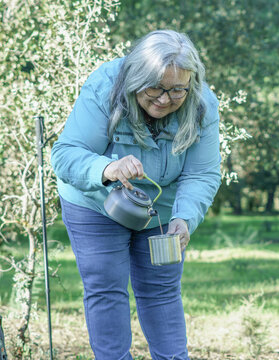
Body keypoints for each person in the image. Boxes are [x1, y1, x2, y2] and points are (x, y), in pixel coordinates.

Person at [51, 30, 221, 360]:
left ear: (191, 82)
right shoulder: (106, 85)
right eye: (155, 87)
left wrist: (184, 218)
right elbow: (66, 153)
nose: (164, 99)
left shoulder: (203, 105)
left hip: (162, 209)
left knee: (162, 290)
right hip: (97, 203)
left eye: (177, 90)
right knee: (107, 288)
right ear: (135, 78)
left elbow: (202, 173)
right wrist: (105, 168)